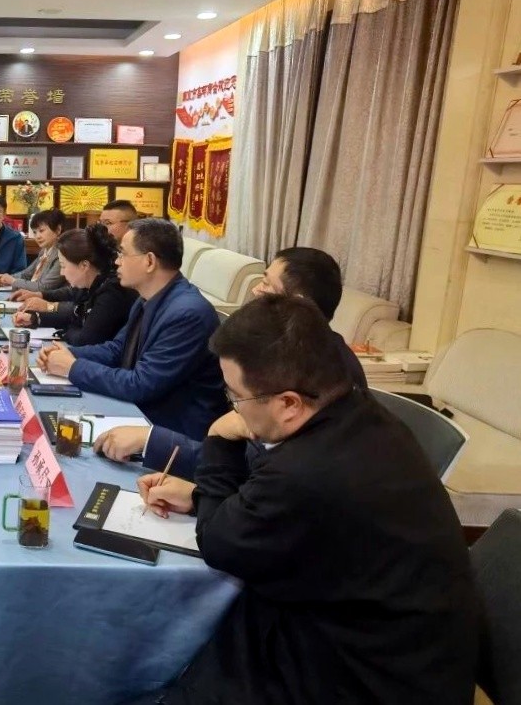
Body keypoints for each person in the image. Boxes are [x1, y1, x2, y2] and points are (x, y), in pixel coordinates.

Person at [131, 295, 476, 704]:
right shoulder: (359, 412)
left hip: (367, 679)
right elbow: (287, 511)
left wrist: (220, 440)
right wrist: (200, 494)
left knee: (157, 662)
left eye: (235, 396)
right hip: (397, 645)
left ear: (289, 404)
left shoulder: (307, 471)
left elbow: (219, 542)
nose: (233, 407)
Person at [95, 246, 367, 479]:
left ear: (296, 304)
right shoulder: (290, 348)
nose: (255, 290)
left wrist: (152, 441)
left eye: (267, 284)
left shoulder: (317, 374)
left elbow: (255, 471)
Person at [38, 218, 225, 440]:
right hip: (140, 412)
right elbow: (117, 349)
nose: (117, 261)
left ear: (149, 261)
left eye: (123, 254)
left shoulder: (188, 314)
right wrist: (67, 354)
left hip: (172, 432)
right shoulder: (146, 298)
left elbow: (141, 384)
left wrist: (73, 367)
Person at [12, 224, 135, 346]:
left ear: (84, 266)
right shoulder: (89, 285)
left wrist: (67, 330)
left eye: (63, 266)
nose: (62, 272)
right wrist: (35, 318)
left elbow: (84, 339)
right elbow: (73, 315)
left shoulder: (111, 293)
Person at [14, 200, 137, 306]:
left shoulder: (129, 262)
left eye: (108, 223)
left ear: (129, 225)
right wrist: (41, 295)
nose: (102, 228)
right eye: (100, 223)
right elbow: (77, 291)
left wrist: (49, 306)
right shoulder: (102, 252)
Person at [0, 208, 67, 294]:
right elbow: (26, 274)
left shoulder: (62, 254)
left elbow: (43, 287)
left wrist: (13, 281)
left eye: (41, 231)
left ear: (58, 230)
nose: (37, 236)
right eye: (35, 232)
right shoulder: (44, 251)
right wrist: (4, 278)